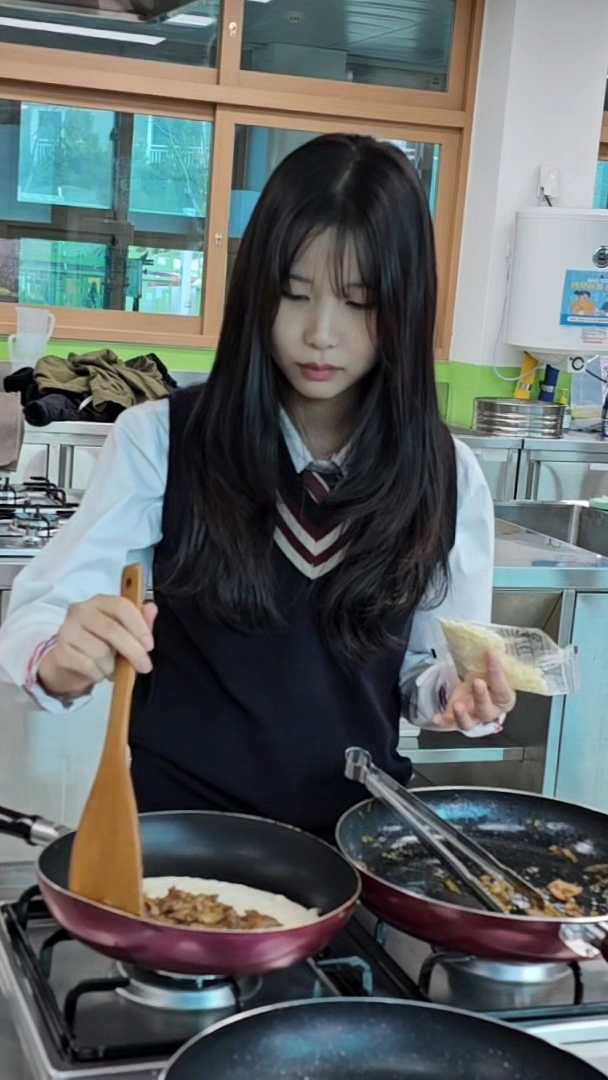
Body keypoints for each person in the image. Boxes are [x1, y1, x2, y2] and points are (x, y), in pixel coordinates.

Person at [0, 135, 515, 842]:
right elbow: (45, 612)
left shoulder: (446, 474)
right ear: (255, 292)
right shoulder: (163, 440)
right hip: (176, 838)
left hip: (351, 847)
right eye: (294, 294)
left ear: (407, 306)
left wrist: (458, 695)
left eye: (360, 302)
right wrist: (63, 658)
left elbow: (426, 672)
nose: (320, 333)